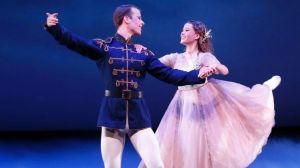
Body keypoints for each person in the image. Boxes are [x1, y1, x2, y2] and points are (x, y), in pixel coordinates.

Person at [44, 5, 210, 168]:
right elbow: (76, 43)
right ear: (126, 19)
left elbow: (168, 74)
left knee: (156, 165)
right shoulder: (105, 47)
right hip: (112, 113)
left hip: (138, 114)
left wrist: (197, 75)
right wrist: (55, 28)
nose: (142, 22)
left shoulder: (142, 53)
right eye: (138, 18)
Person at [139, 20, 281, 168]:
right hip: (182, 103)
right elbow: (153, 64)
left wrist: (213, 67)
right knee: (176, 142)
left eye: (187, 30)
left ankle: (265, 89)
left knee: (198, 143)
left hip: (202, 102)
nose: (182, 32)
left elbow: (224, 69)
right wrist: (141, 54)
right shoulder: (175, 57)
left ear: (197, 35)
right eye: (182, 30)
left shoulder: (203, 56)